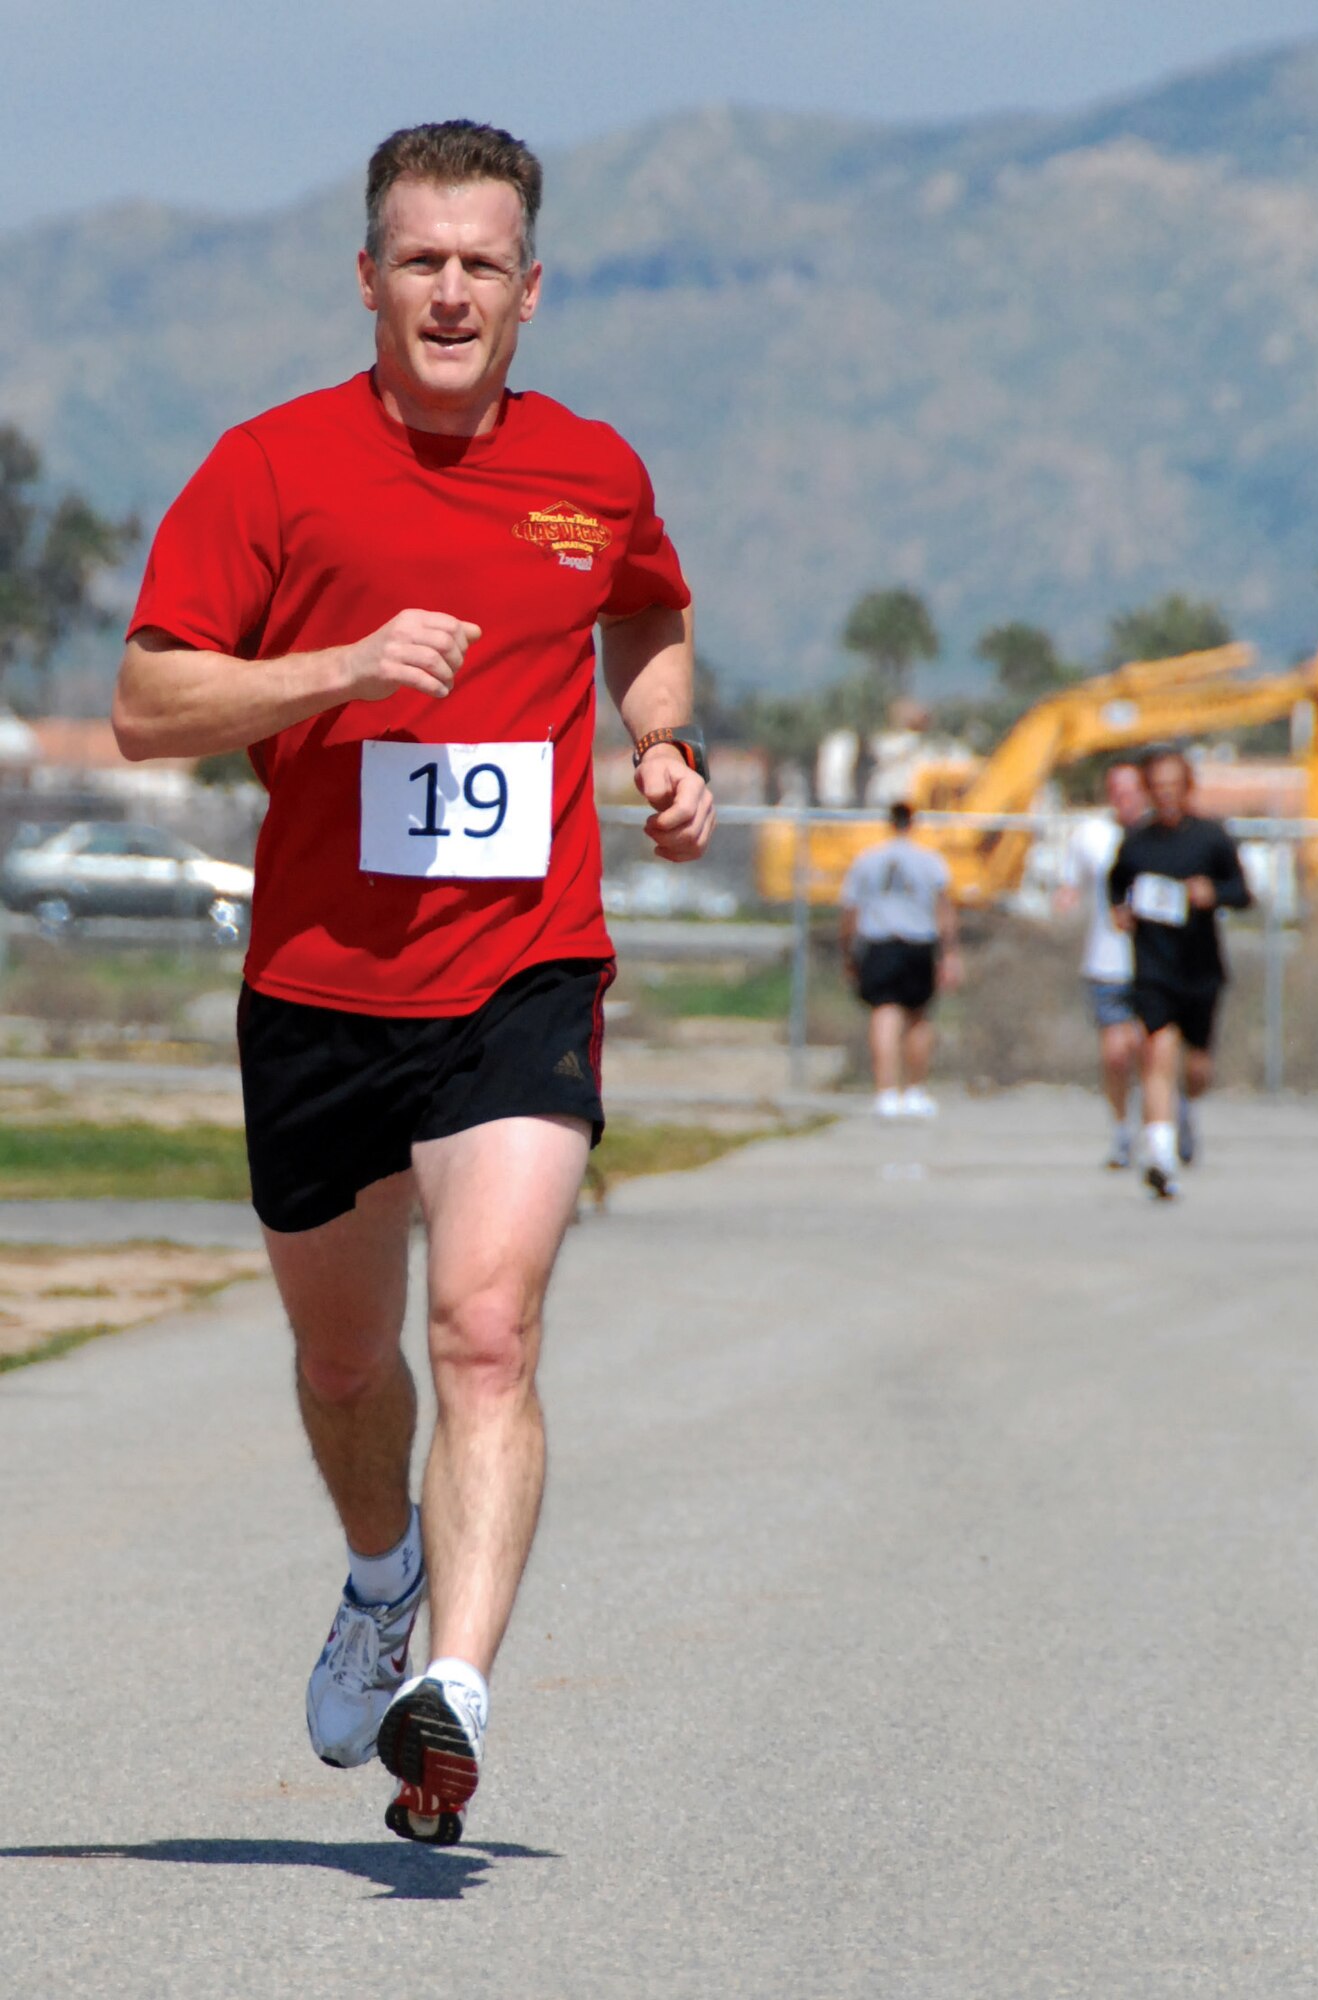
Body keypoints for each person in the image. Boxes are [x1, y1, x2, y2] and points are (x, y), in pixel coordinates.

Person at [111, 119, 715, 1845]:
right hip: (319, 984)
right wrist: (339, 668)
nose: (452, 293)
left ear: (533, 289)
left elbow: (647, 613)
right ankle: (383, 1575)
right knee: (344, 1361)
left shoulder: (591, 471)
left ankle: (453, 1686)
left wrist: (663, 743)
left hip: (523, 968)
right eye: (422, 262)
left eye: (483, 265)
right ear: (368, 279)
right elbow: (148, 705)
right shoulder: (272, 468)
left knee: (487, 1329)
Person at [1108, 747, 1250, 1200]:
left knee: (1197, 1066)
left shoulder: (1211, 838)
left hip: (1200, 967)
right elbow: (1117, 884)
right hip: (1154, 967)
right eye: (1158, 787)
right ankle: (1160, 1158)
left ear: (1187, 788)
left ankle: (1187, 1108)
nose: (1166, 795)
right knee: (1156, 1053)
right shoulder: (1137, 842)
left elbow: (1242, 892)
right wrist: (1120, 910)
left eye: (1174, 786)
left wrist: (1212, 893)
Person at [838, 802, 961, 1117]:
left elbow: (850, 910)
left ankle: (887, 1092)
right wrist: (949, 952)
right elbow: (944, 908)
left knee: (884, 1014)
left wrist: (848, 951)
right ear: (913, 823)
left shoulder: (867, 859)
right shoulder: (930, 860)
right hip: (918, 941)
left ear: (889, 822)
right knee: (917, 1016)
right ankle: (915, 1090)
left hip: (880, 942)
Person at [1062, 764, 1148, 1168]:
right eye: (1117, 790)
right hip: (1107, 962)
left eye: (1132, 790)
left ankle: (1164, 1125)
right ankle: (1122, 1131)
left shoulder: (1161, 837)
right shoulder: (1091, 837)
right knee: (1116, 1055)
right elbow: (1072, 885)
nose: (1124, 798)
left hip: (1155, 963)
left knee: (1151, 1051)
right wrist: (1065, 899)